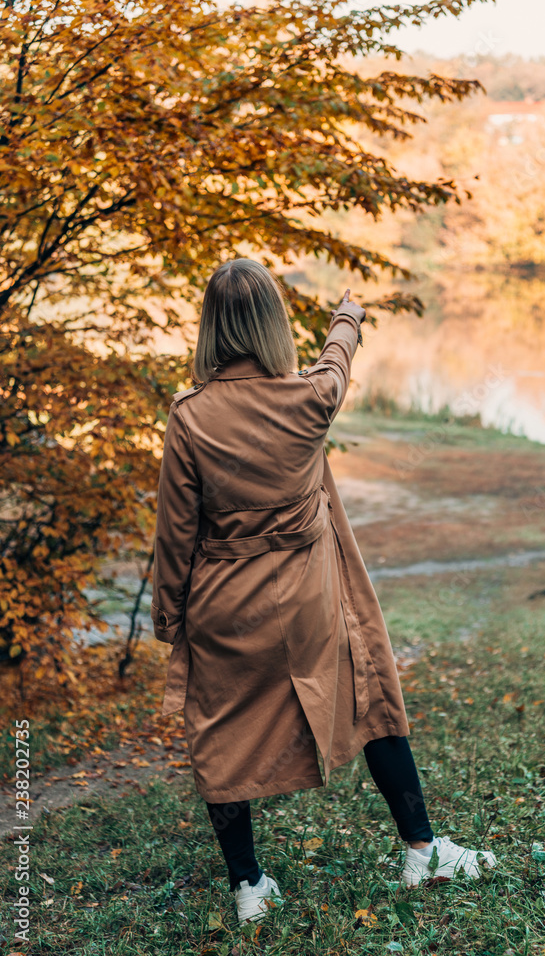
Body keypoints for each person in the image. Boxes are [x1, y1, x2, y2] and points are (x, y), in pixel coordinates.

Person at [151, 258, 497, 924]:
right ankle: (421, 851)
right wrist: (347, 317)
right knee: (369, 691)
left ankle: (249, 888)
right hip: (309, 598)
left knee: (219, 736)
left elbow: (175, 533)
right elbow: (335, 365)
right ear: (272, 324)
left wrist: (171, 618)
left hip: (224, 605)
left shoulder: (191, 417)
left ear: (211, 328)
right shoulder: (307, 399)